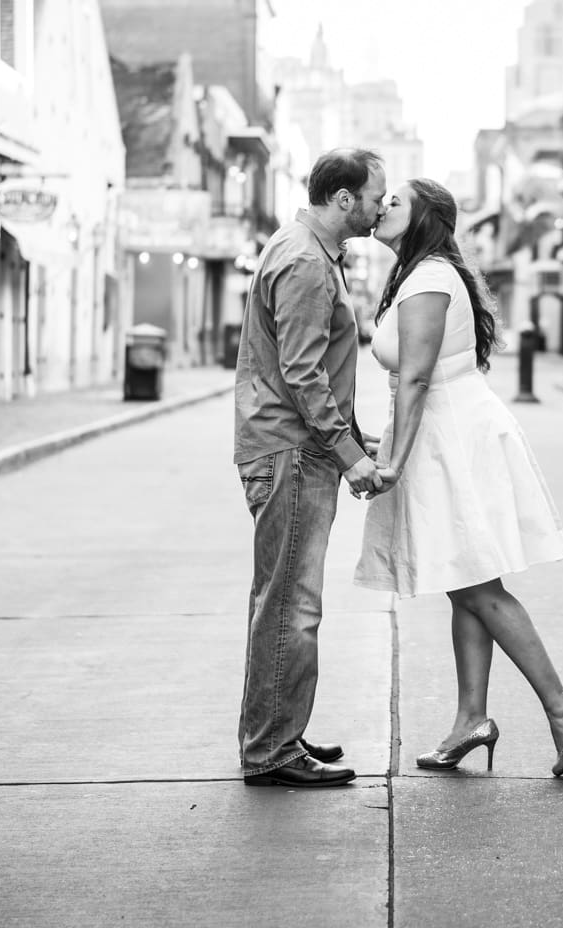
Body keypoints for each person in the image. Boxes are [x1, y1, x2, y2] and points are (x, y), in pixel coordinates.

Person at [353, 178, 563, 778]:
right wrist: (387, 442)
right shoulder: (419, 274)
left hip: (450, 437)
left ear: (424, 219)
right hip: (443, 430)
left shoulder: (431, 277)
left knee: (476, 585)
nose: (382, 206)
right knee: (463, 577)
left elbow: (415, 378)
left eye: (395, 202)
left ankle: (559, 701)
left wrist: (392, 463)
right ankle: (472, 719)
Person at [233, 148, 388, 788]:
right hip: (293, 452)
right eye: (376, 197)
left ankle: (278, 733)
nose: (382, 208)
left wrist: (355, 435)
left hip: (295, 445)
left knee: (283, 599)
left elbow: (309, 364)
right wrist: (349, 456)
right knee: (292, 604)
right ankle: (271, 751)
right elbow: (302, 372)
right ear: (345, 198)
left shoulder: (308, 252)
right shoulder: (303, 261)